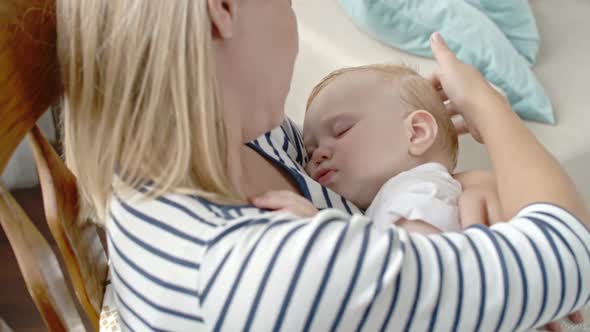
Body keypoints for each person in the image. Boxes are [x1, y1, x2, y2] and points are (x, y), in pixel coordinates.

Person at [3, 0, 589, 331]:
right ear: (223, 10)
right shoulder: (273, 268)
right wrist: (489, 106)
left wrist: (460, 186)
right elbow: (570, 251)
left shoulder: (198, 150)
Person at [271, 64, 502, 234]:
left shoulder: (420, 194)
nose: (317, 156)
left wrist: (326, 235)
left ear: (416, 132)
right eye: (310, 152)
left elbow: (409, 275)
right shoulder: (403, 196)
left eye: (341, 130)